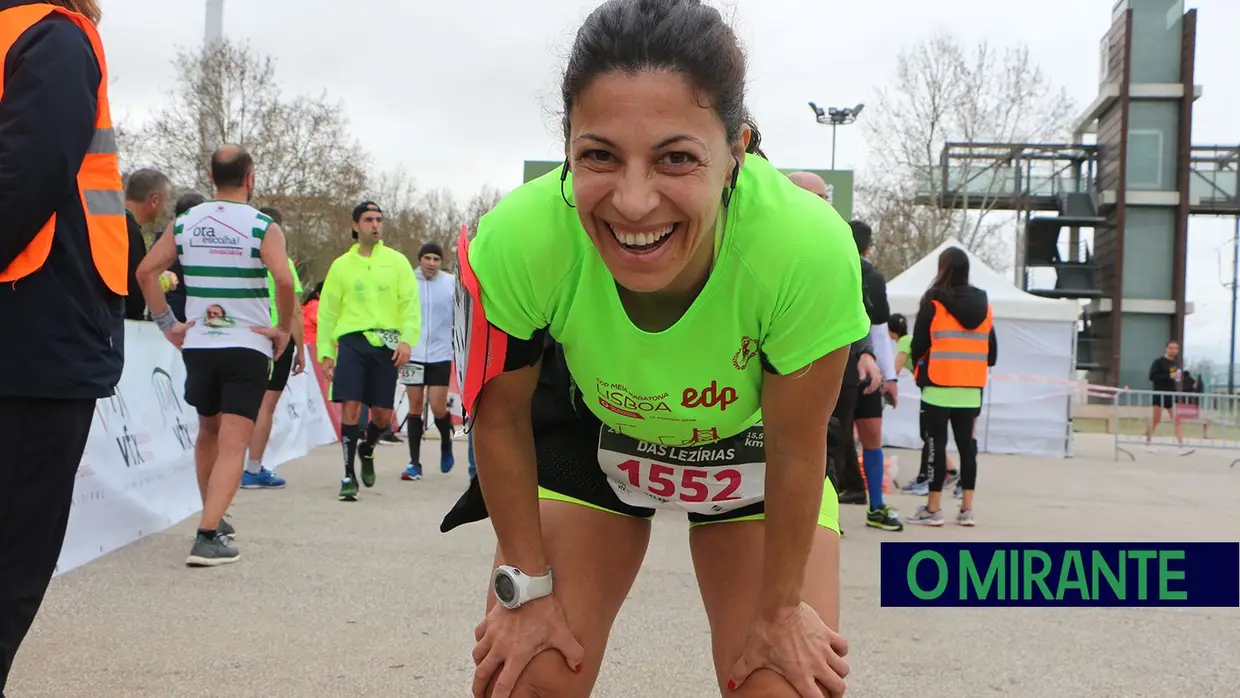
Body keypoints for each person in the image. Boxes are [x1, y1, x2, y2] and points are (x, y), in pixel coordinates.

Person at [440, 2, 864, 695]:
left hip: (751, 448)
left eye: (676, 158)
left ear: (738, 150)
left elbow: (797, 446)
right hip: (593, 429)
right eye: (599, 156)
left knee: (780, 684)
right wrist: (523, 590)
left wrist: (781, 610)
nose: (634, 203)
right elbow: (498, 418)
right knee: (530, 675)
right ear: (567, 144)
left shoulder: (806, 249)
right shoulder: (518, 239)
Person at [0, 0, 125, 688]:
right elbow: (31, 174)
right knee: (14, 560)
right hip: (35, 336)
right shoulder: (51, 35)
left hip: (35, 328)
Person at [136, 144, 296, 566]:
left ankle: (214, 517)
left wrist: (166, 323)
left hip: (200, 344)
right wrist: (282, 328)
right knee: (233, 443)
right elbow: (283, 278)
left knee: (207, 432)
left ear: (211, 179)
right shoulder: (264, 227)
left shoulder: (186, 222)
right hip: (246, 344)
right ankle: (208, 535)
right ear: (250, 178)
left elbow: (145, 272)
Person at [785, 171, 885, 536]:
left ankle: (822, 519)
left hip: (832, 365)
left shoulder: (839, 246)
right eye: (817, 198)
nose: (825, 207)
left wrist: (866, 354)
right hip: (774, 364)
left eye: (827, 199)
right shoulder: (763, 241)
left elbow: (857, 311)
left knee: (827, 438)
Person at [316, 200, 419, 501]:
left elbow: (410, 306)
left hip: (386, 345)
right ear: (355, 225)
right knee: (350, 406)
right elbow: (327, 312)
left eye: (379, 220)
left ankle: (368, 447)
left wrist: (407, 340)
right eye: (368, 220)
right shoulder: (341, 266)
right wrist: (325, 353)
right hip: (352, 341)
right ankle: (348, 474)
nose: (375, 225)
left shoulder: (397, 262)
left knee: (383, 416)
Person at [905, 247, 996, 527]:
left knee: (936, 445)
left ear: (942, 269)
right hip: (971, 387)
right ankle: (967, 509)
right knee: (967, 448)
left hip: (938, 385)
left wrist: (916, 365)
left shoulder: (933, 302)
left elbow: (918, 343)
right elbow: (992, 354)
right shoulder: (985, 305)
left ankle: (934, 509)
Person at [240, 206, 308, 489]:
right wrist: (301, 350)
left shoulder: (241, 257)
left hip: (245, 333)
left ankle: (228, 464)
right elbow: (294, 311)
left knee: (239, 403)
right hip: (276, 336)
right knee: (266, 405)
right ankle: (252, 469)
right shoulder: (282, 261)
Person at [401, 241, 457, 480]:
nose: (431, 263)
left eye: (436, 259)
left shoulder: (451, 283)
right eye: (427, 258)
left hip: (440, 353)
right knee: (414, 407)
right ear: (420, 259)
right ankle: (414, 463)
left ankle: (446, 440)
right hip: (412, 353)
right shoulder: (407, 281)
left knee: (437, 406)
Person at [891, 313, 960, 498]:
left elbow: (895, 369)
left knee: (928, 434)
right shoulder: (911, 338)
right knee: (931, 435)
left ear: (891, 333)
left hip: (931, 386)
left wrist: (884, 380)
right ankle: (950, 471)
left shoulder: (904, 342)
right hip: (934, 384)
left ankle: (927, 478)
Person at [123, 168, 170, 319]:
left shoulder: (110, 223)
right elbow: (133, 289)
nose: (165, 208)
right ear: (154, 201)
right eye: (166, 201)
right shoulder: (130, 233)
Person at [1144, 340, 1194, 456]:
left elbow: (1176, 378)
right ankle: (1147, 442)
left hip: (1171, 395)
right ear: (1166, 349)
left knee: (1177, 419)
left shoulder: (1176, 364)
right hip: (1159, 394)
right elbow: (1152, 376)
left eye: (1175, 348)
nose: (1173, 350)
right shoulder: (1158, 362)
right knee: (1156, 420)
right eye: (1171, 348)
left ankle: (1181, 446)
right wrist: (1168, 376)